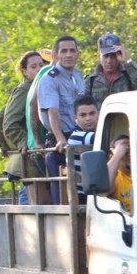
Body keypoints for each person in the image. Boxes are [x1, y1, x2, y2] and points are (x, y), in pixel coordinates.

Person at [37, 35, 84, 203]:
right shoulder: (50, 79)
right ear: (56, 54)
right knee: (64, 198)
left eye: (72, 50)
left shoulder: (78, 75)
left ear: (78, 53)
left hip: (79, 137)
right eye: (64, 51)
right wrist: (60, 139)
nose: (69, 55)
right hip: (61, 142)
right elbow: (52, 111)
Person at [3, 50, 49, 204]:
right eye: (33, 66)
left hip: (40, 153)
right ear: (24, 71)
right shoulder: (25, 89)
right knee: (40, 206)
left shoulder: (42, 86)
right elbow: (9, 123)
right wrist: (24, 142)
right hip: (30, 155)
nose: (38, 70)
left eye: (41, 66)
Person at [84, 32, 137, 108]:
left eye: (113, 56)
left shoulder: (128, 75)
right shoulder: (91, 81)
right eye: (106, 56)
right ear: (99, 56)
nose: (109, 60)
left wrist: (127, 62)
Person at [67, 95, 99, 200]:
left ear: (98, 113)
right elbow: (103, 138)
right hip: (84, 196)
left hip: (99, 192)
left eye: (92, 113)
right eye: (83, 115)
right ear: (75, 118)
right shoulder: (76, 136)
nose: (88, 118)